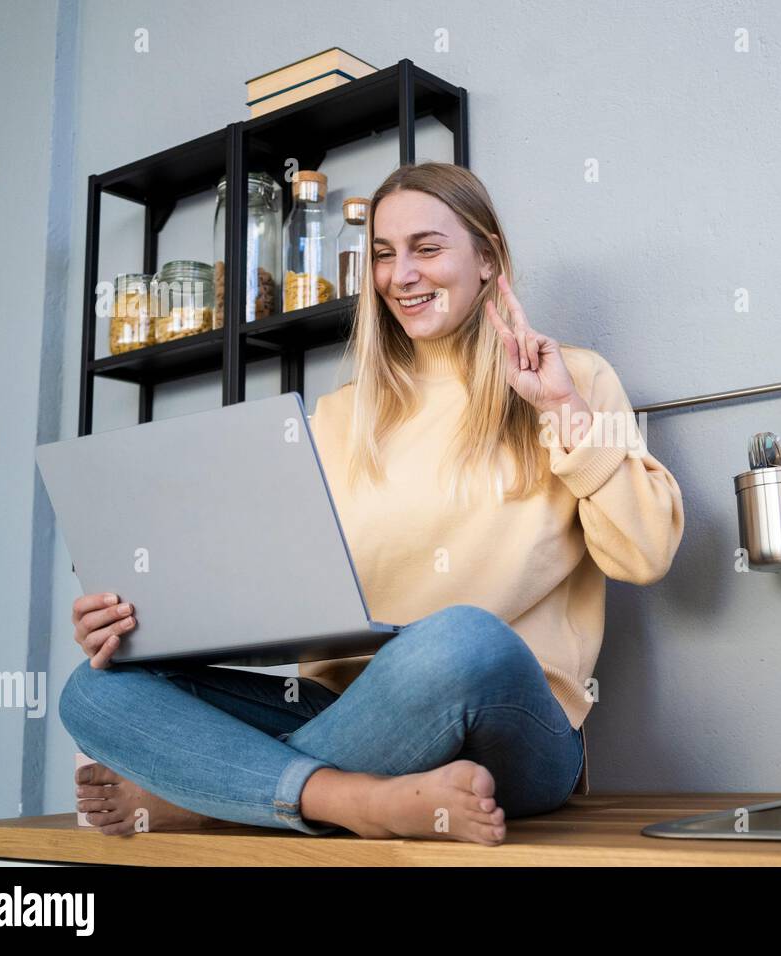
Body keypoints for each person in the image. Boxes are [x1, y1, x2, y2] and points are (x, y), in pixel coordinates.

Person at [59, 162, 685, 844]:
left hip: (508, 727)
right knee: (95, 688)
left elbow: (646, 553)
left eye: (426, 248)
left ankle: (215, 795)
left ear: (488, 259)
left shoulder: (574, 377)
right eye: (384, 255)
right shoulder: (336, 417)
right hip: (343, 712)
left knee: (460, 637)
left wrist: (563, 410)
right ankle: (358, 800)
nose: (401, 275)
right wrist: (139, 625)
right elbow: (282, 598)